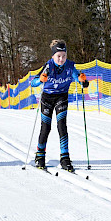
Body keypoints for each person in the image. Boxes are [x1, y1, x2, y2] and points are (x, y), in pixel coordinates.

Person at [30, 39, 89, 172]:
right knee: (45, 128)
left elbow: (79, 79)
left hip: (61, 97)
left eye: (63, 56)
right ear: (53, 56)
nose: (61, 59)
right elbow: (33, 82)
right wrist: (40, 80)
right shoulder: (48, 66)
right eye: (58, 56)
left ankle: (65, 158)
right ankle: (40, 156)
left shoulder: (70, 66)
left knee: (62, 127)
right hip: (47, 99)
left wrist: (83, 82)